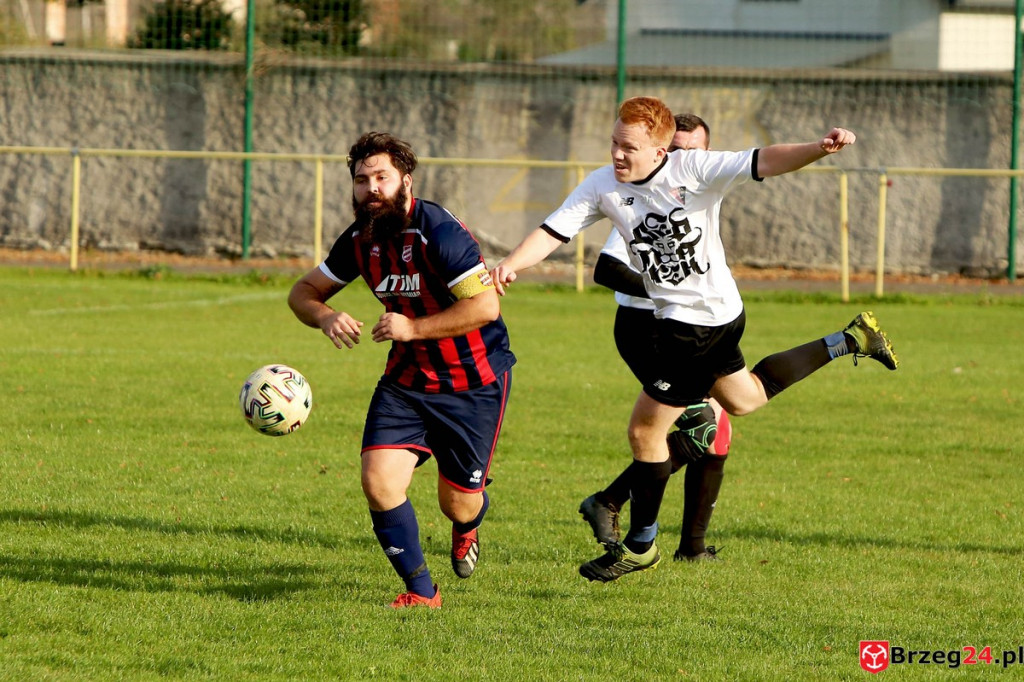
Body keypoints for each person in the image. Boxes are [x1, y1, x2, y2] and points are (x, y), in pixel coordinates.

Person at [491, 96, 897, 583]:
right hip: (716, 318)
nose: (617, 154)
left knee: (646, 433)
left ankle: (641, 545)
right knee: (744, 399)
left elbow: (765, 159)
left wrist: (818, 148)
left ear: (660, 151)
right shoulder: (602, 184)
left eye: (629, 148)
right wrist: (511, 264)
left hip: (694, 328)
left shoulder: (694, 169)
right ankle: (847, 340)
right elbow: (553, 230)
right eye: (614, 143)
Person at [288, 132, 515, 608]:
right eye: (362, 180)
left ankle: (468, 524)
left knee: (457, 503)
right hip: (406, 382)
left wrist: (412, 328)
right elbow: (302, 293)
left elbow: (485, 307)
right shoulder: (359, 240)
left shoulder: (440, 233)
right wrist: (325, 316)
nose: (371, 189)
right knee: (378, 481)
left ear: (406, 181)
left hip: (472, 381)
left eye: (382, 178)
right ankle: (422, 592)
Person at [580, 113, 733, 563]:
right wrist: (666, 288)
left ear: (707, 153)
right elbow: (606, 268)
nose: (683, 159)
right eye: (677, 150)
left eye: (692, 151)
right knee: (701, 426)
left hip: (696, 328)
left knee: (717, 431)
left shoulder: (699, 191)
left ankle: (692, 548)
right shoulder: (646, 196)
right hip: (649, 329)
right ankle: (611, 502)